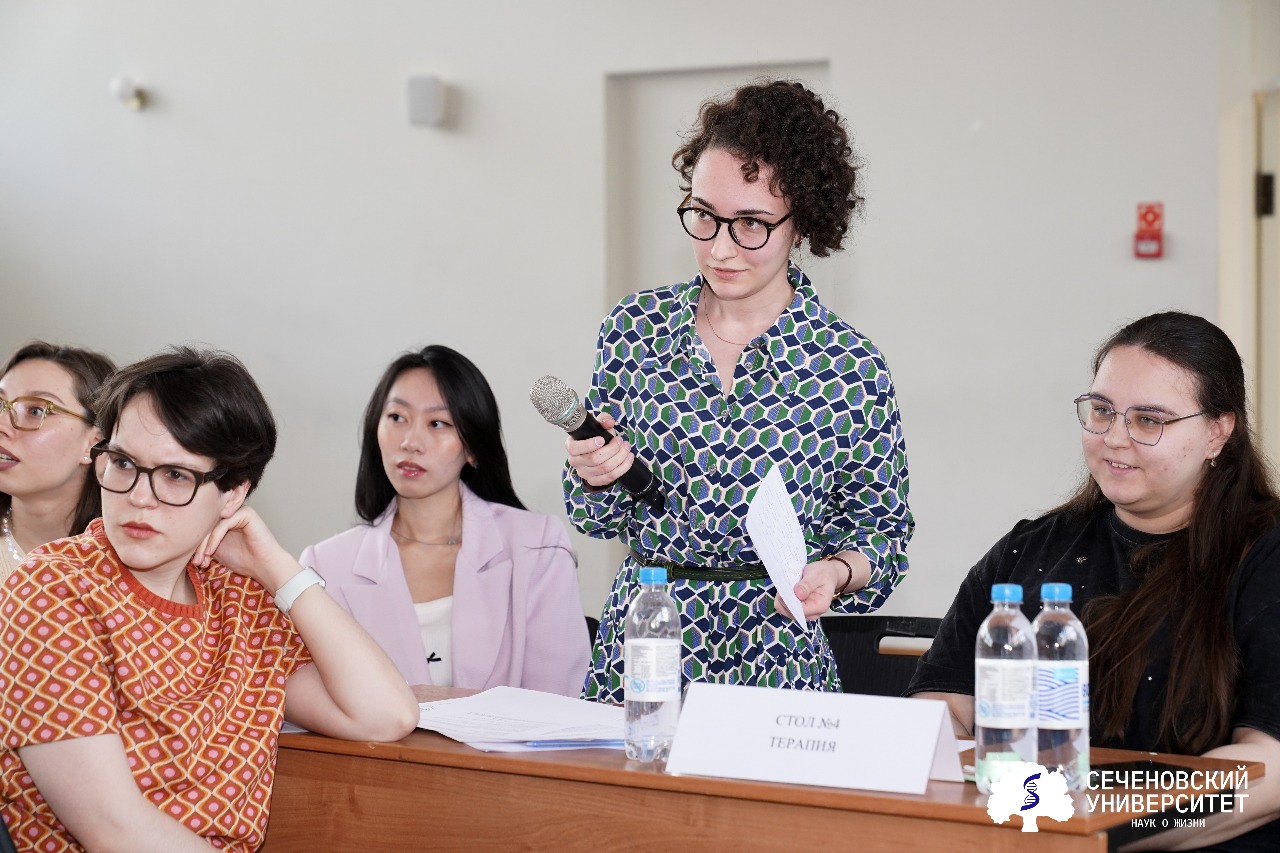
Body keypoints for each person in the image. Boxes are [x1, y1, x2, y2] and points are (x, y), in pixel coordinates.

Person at [564, 80, 913, 702]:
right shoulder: (636, 329)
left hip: (778, 653)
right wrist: (593, 475)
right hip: (647, 645)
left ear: (802, 223)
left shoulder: (848, 364)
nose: (720, 248)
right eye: (704, 216)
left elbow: (882, 534)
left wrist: (836, 572)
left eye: (751, 223)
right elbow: (595, 518)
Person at [0, 347, 418, 852]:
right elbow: (112, 828)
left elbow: (385, 714)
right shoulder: (51, 589)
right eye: (124, 463)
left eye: (175, 475)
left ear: (233, 494)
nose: (139, 497)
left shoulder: (239, 597)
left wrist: (278, 569)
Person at [908, 311, 1280, 851]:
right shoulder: (1030, 548)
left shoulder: (1264, 556)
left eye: (1148, 420)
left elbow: (1268, 770)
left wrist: (1103, 828)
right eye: (1102, 412)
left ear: (1217, 433)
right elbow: (940, 710)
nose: (1114, 439)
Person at [303, 345, 590, 697]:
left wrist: (423, 701)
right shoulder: (324, 566)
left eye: (438, 423)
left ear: (472, 447)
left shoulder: (537, 546)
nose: (410, 442)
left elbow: (559, 705)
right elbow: (315, 708)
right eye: (396, 417)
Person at [0, 341, 115, 583]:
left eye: (36, 411)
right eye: (1, 405)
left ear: (94, 443)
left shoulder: (132, 564)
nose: (2, 425)